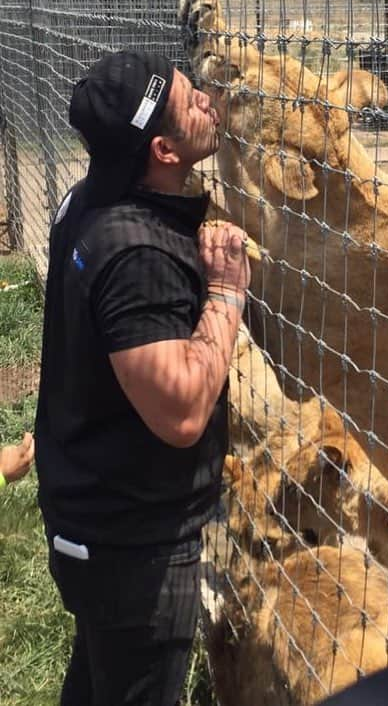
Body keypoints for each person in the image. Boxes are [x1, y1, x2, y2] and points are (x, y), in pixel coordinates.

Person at [34, 50, 250, 706]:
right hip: (136, 546)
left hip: (94, 515)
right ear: (163, 149)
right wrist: (224, 291)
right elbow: (181, 411)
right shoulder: (135, 254)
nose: (211, 104)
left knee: (103, 678)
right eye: (193, 103)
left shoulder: (88, 201)